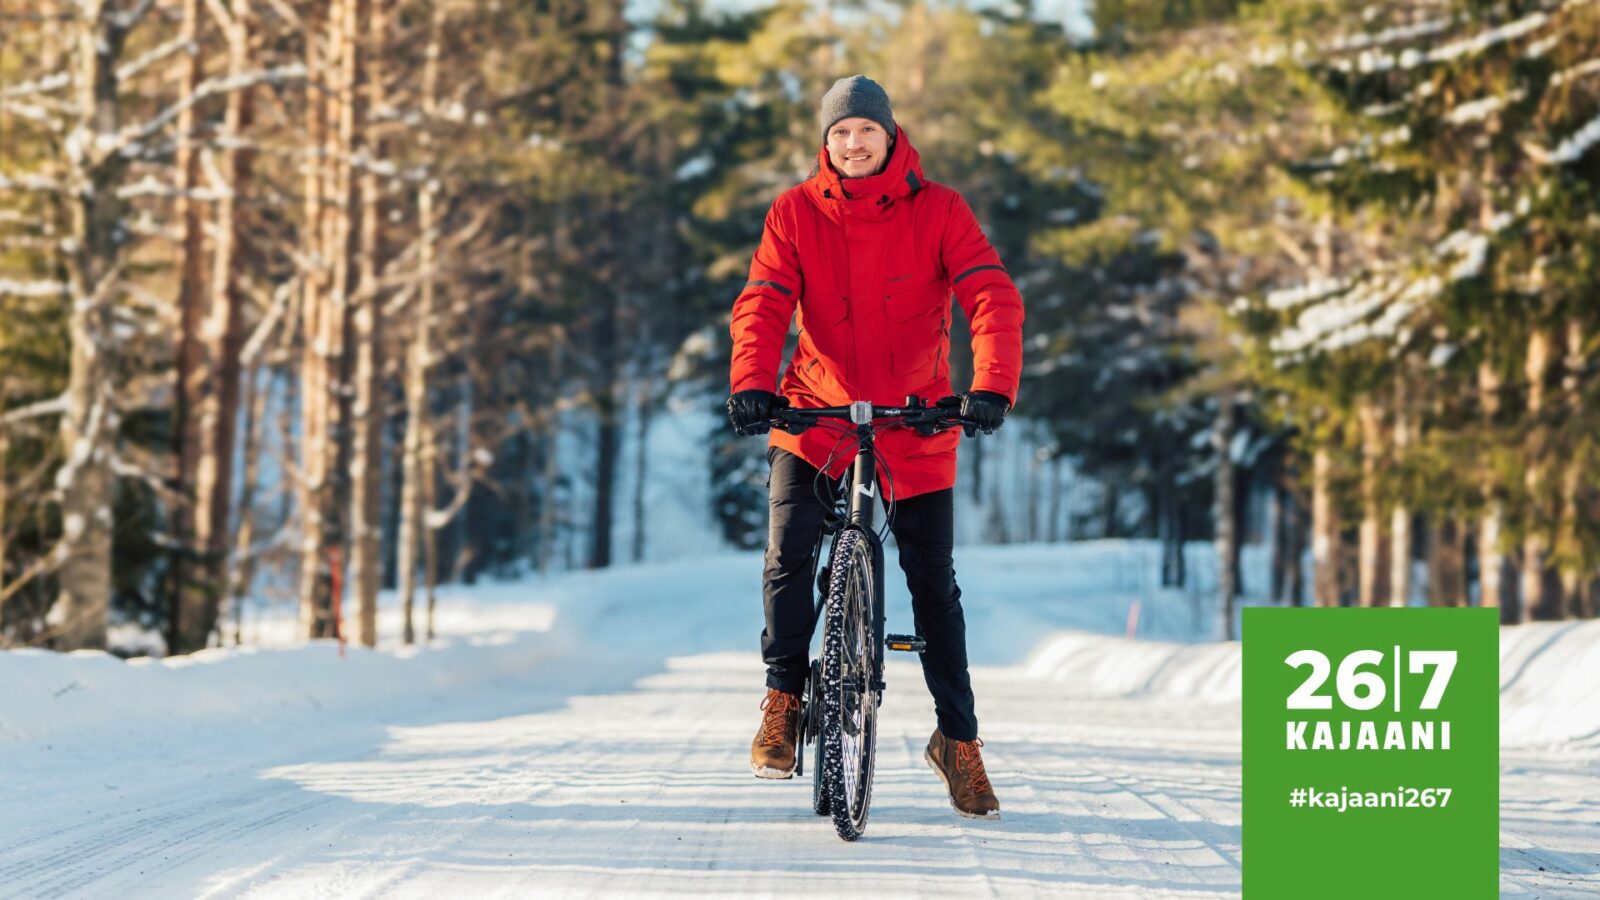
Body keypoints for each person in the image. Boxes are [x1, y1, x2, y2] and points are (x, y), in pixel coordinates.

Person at [725, 75, 1024, 820]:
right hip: (816, 414)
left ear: (891, 136)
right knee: (789, 555)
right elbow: (763, 301)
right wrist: (753, 382)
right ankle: (784, 699)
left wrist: (990, 387)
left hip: (912, 421)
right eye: (839, 134)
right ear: (824, 144)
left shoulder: (941, 209)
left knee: (933, 585)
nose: (853, 144)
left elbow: (990, 293)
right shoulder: (794, 212)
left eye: (865, 130)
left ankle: (958, 741)